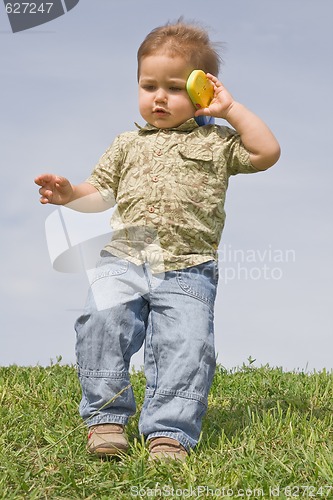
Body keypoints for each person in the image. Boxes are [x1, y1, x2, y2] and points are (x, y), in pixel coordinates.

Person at [35, 20, 280, 461]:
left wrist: (231, 110)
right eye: (149, 86)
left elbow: (266, 153)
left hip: (190, 266)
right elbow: (100, 191)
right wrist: (71, 194)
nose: (160, 97)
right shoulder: (126, 144)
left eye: (175, 87)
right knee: (101, 325)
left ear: (204, 91)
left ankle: (168, 432)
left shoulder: (217, 142)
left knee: (186, 345)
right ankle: (107, 419)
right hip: (123, 259)